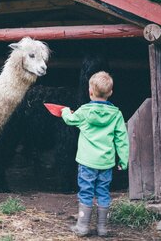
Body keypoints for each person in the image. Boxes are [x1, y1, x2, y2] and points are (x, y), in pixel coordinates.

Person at [61, 71, 129, 237]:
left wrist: (64, 111)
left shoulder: (85, 111)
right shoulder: (116, 115)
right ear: (110, 93)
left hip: (86, 162)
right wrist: (123, 160)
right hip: (106, 163)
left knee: (86, 192)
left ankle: (83, 227)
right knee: (103, 193)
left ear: (90, 92)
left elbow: (70, 119)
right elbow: (122, 139)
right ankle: (102, 228)